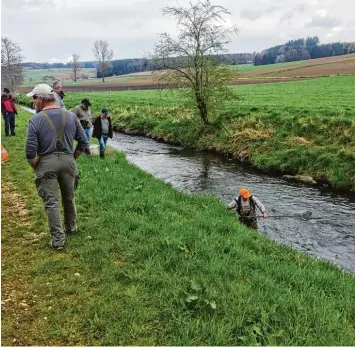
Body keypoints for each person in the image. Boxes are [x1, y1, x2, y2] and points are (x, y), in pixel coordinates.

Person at [25, 84, 89, 250]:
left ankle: (58, 241)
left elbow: (30, 153)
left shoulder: (35, 120)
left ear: (41, 99)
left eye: (34, 98)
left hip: (46, 163)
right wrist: (72, 158)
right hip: (68, 161)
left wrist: (37, 167)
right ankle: (72, 227)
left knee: (51, 202)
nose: (33, 103)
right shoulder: (71, 116)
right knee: (69, 197)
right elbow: (83, 142)